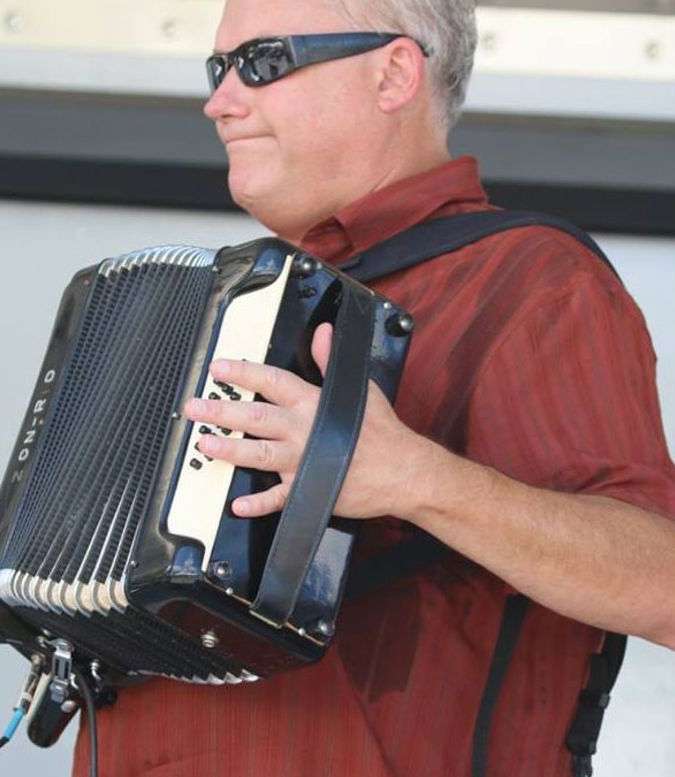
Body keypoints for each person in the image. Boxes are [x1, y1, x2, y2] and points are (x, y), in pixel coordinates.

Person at [74, 1, 675, 775]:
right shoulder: (213, 312)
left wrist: (412, 477)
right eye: (215, 69)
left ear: (393, 73)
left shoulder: (531, 279)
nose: (219, 100)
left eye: (260, 61)